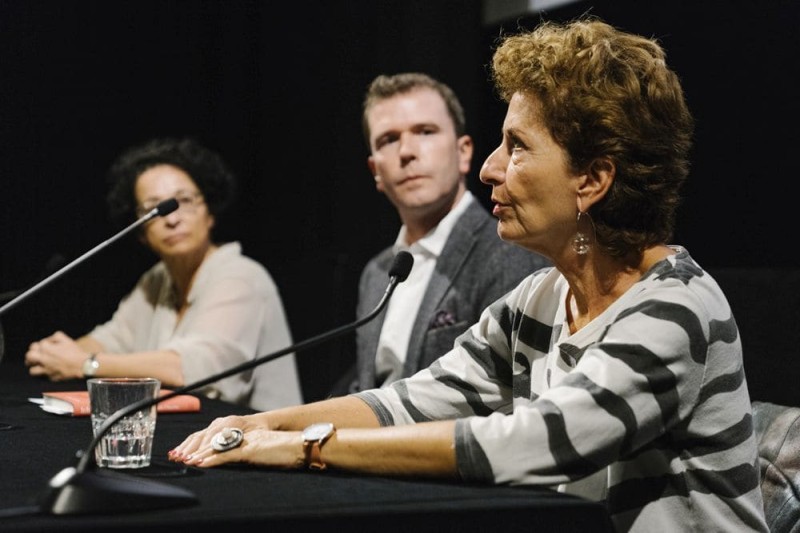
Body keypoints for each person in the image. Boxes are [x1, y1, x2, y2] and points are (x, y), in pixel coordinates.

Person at [168, 18, 768, 532]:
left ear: (592, 179)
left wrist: (304, 449)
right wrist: (256, 424)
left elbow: (535, 442)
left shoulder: (676, 310)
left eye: (517, 147)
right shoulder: (539, 296)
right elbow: (418, 399)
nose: (489, 168)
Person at [24, 137, 303, 411]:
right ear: (141, 231)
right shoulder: (156, 280)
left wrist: (85, 364)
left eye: (184, 200)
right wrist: (57, 354)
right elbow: (112, 340)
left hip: (267, 447)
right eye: (154, 209)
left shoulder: (241, 277)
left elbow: (192, 370)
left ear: (210, 213)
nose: (172, 219)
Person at [333, 72, 549, 394]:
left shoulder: (508, 250)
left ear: (463, 153)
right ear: (376, 171)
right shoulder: (377, 273)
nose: (406, 152)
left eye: (425, 132)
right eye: (388, 140)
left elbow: (507, 396)